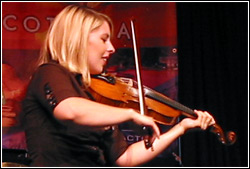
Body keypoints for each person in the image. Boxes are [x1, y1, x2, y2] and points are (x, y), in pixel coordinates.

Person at [21, 5, 215, 167]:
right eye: (104, 39)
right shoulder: (50, 72)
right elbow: (69, 109)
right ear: (78, 39)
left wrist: (180, 129)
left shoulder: (93, 95)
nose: (112, 48)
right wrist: (130, 114)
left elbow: (125, 158)